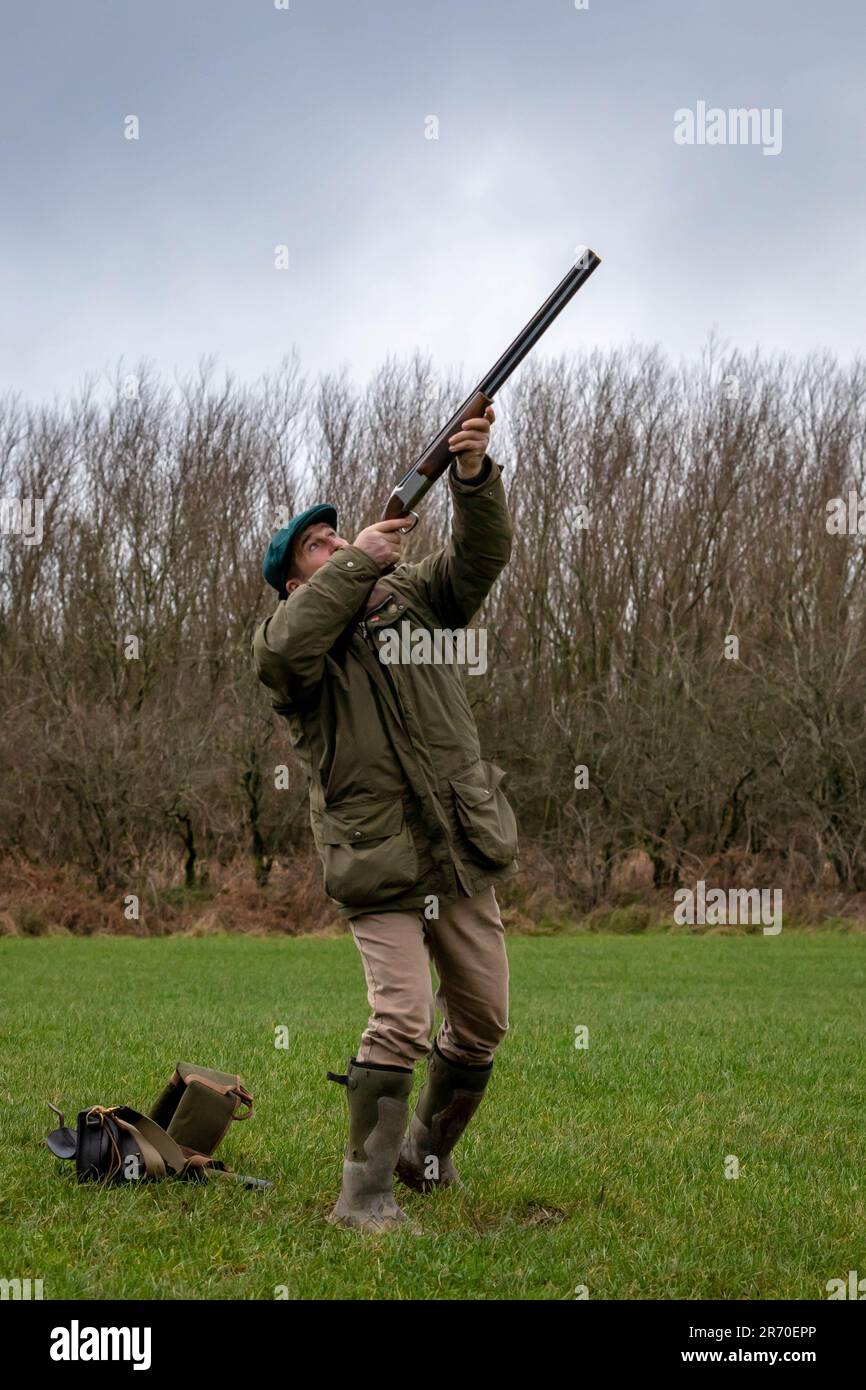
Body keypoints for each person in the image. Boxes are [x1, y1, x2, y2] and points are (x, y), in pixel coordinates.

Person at [252, 405, 519, 1232]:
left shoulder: (414, 600)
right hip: (380, 862)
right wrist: (356, 565)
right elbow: (284, 652)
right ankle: (362, 1197)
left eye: (339, 537)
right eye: (318, 548)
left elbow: (481, 560)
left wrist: (472, 475)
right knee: (402, 1015)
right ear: (300, 582)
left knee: (483, 1021)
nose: (335, 544)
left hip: (458, 845)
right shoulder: (294, 643)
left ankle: (425, 1156)